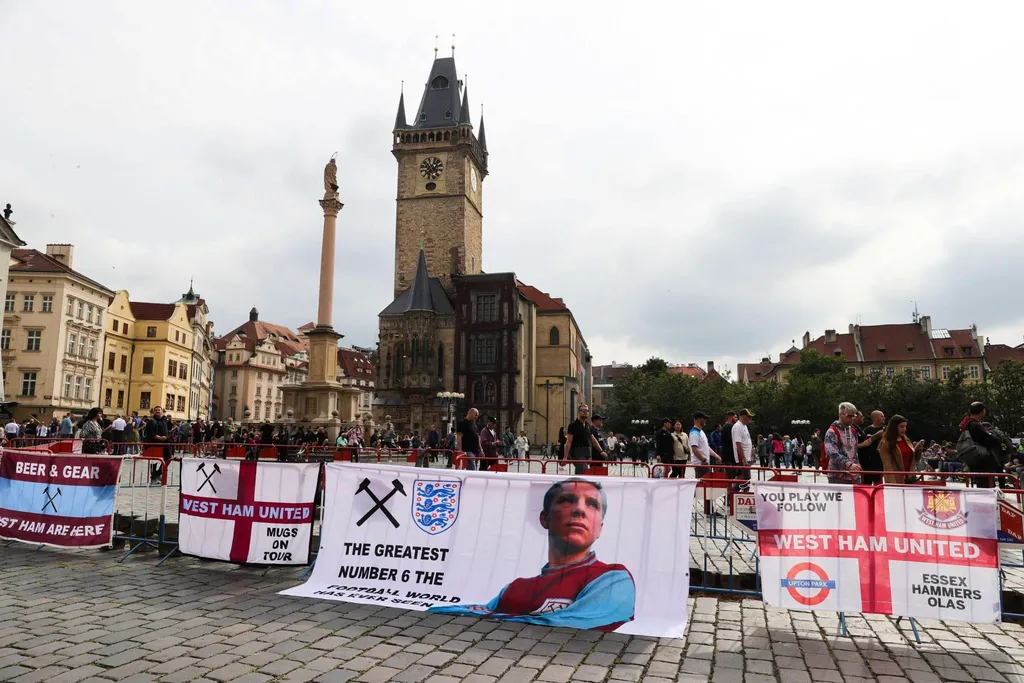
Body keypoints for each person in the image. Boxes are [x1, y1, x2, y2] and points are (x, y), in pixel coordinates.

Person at [428, 478, 635, 630]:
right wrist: (433, 610)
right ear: (544, 519)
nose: (579, 510)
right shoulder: (515, 588)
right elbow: (481, 611)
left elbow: (576, 622)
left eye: (592, 504)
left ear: (600, 527)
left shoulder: (612, 578)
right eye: (567, 500)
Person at [959, 402, 1009, 488]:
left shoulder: (966, 424)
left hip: (974, 458)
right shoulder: (975, 425)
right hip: (982, 460)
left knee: (983, 484)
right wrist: (994, 437)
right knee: (986, 485)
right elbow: (990, 440)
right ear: (982, 411)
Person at [878, 415, 924, 484]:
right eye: (901, 426)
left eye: (905, 426)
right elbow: (887, 465)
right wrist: (892, 484)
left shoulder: (906, 440)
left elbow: (914, 460)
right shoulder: (885, 443)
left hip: (910, 479)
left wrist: (918, 450)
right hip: (896, 480)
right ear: (894, 427)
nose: (904, 429)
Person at [563, 405, 606, 475]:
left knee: (582, 473)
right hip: (577, 453)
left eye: (587, 411)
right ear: (579, 412)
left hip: (587, 454)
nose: (585, 412)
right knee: (583, 472)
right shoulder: (573, 425)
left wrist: (601, 451)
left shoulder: (588, 426)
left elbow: (593, 440)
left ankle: (578, 484)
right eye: (583, 410)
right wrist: (565, 457)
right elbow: (568, 441)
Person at [825, 402, 862, 483]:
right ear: (841, 415)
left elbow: (855, 452)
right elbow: (832, 453)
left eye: (854, 416)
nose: (853, 418)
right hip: (837, 476)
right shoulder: (831, 431)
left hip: (854, 476)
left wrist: (857, 466)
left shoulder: (853, 431)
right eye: (850, 416)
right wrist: (849, 465)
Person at [688, 412, 721, 479]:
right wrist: (703, 460)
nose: (706, 420)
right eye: (704, 418)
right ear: (698, 419)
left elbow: (706, 447)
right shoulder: (694, 433)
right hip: (700, 464)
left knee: (705, 485)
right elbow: (694, 449)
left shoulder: (701, 432)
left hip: (704, 464)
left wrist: (716, 455)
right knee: (702, 485)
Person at [857, 410, 886, 485]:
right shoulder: (866, 430)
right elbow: (862, 444)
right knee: (867, 483)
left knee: (879, 483)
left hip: (882, 461)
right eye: (882, 416)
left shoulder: (886, 430)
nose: (884, 418)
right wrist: (876, 436)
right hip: (869, 462)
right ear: (876, 418)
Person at [145, 406, 172, 483]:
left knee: (169, 458)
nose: (157, 411)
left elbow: (168, 429)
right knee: (154, 460)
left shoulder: (164, 421)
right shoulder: (151, 421)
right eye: (156, 410)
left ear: (161, 412)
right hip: (155, 443)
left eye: (159, 410)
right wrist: (159, 437)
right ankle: (153, 477)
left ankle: (157, 473)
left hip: (165, 443)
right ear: (153, 412)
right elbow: (150, 433)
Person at [730, 409, 755, 487]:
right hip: (742, 460)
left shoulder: (744, 426)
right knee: (742, 479)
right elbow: (738, 444)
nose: (750, 419)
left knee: (746, 480)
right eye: (749, 417)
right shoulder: (738, 426)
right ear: (743, 416)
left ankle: (738, 493)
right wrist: (744, 459)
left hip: (746, 459)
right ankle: (732, 494)